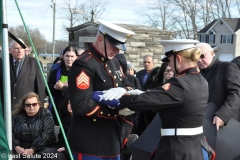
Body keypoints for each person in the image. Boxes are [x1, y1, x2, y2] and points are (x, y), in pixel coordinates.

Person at [103, 39, 209, 160]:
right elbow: (162, 96)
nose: (169, 66)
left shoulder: (180, 83)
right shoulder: (201, 80)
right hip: (194, 147)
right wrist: (139, 92)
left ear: (178, 59)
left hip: (176, 150)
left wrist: (123, 96)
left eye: (169, 61)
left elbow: (144, 101)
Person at [67, 19, 135, 160]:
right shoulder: (84, 64)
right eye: (113, 46)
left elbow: (128, 84)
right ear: (100, 39)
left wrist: (124, 92)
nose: (117, 50)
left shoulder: (115, 62)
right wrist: (116, 108)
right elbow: (81, 105)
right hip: (89, 142)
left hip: (112, 140)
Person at [196, 43, 240, 130]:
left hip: (226, 123)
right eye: (195, 58)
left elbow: (236, 93)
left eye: (202, 56)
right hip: (204, 123)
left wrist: (223, 115)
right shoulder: (197, 74)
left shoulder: (227, 67)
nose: (199, 60)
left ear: (212, 53)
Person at [1, 38, 45, 110]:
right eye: (16, 48)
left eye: (22, 48)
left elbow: (40, 87)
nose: (19, 51)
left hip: (27, 108)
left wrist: (40, 108)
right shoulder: (3, 63)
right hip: (6, 108)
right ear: (9, 50)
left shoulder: (35, 63)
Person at [12, 92, 56, 159]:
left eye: (34, 104)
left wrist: (33, 149)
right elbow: (10, 132)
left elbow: (46, 134)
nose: (31, 106)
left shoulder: (45, 114)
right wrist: (16, 147)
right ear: (24, 106)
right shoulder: (17, 116)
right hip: (19, 150)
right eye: (28, 105)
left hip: (40, 149)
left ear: (39, 104)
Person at [47, 45, 78, 124]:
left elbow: (79, 92)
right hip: (57, 109)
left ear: (76, 57)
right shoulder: (56, 71)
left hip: (73, 111)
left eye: (72, 56)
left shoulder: (81, 73)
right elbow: (47, 90)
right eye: (67, 56)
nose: (69, 59)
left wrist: (63, 88)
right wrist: (56, 87)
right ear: (63, 57)